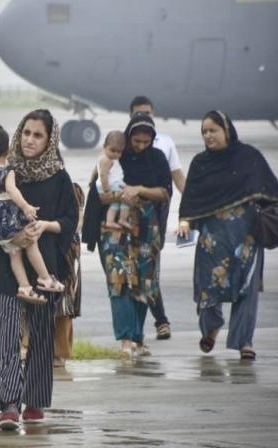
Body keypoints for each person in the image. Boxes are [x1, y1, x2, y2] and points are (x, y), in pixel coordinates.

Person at [0, 109, 78, 430]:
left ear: (50, 140)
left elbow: (69, 221)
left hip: (45, 264)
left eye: (38, 135)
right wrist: (2, 243)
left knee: (39, 334)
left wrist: (44, 226)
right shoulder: (6, 172)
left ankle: (34, 399)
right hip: (8, 263)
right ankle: (8, 402)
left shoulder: (59, 177)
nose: (30, 140)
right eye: (26, 133)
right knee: (5, 332)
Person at [178, 111, 278, 361]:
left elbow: (269, 190)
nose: (208, 135)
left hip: (246, 236)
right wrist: (184, 223)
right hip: (211, 239)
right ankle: (211, 328)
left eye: (212, 130)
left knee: (246, 289)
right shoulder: (200, 163)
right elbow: (191, 200)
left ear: (227, 131)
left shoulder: (249, 157)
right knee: (208, 289)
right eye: (204, 131)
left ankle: (244, 342)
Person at [85, 114, 171, 357]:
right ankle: (124, 339)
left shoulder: (156, 158)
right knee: (119, 279)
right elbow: (98, 192)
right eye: (136, 141)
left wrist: (140, 190)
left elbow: (164, 192)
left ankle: (138, 337)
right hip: (113, 227)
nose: (141, 146)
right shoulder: (114, 157)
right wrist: (121, 196)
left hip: (146, 228)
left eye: (146, 142)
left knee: (144, 283)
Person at [0, 123, 64, 304]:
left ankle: (24, 287)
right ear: (8, 150)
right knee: (31, 244)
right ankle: (44, 278)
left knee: (14, 254)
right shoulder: (8, 171)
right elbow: (12, 191)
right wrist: (25, 207)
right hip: (8, 221)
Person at [129, 95, 185, 340]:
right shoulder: (123, 144)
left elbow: (176, 178)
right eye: (139, 112)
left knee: (149, 271)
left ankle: (154, 323)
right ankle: (160, 321)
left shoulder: (164, 143)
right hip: (128, 220)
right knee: (141, 273)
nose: (144, 116)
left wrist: (195, 205)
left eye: (148, 112)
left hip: (157, 216)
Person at [93, 130, 131, 230]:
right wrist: (107, 190)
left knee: (115, 204)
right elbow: (103, 175)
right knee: (126, 198)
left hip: (106, 185)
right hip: (108, 186)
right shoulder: (106, 160)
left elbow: (97, 172)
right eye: (112, 150)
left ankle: (110, 221)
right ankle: (123, 219)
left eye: (119, 152)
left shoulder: (102, 157)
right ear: (104, 146)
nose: (115, 154)